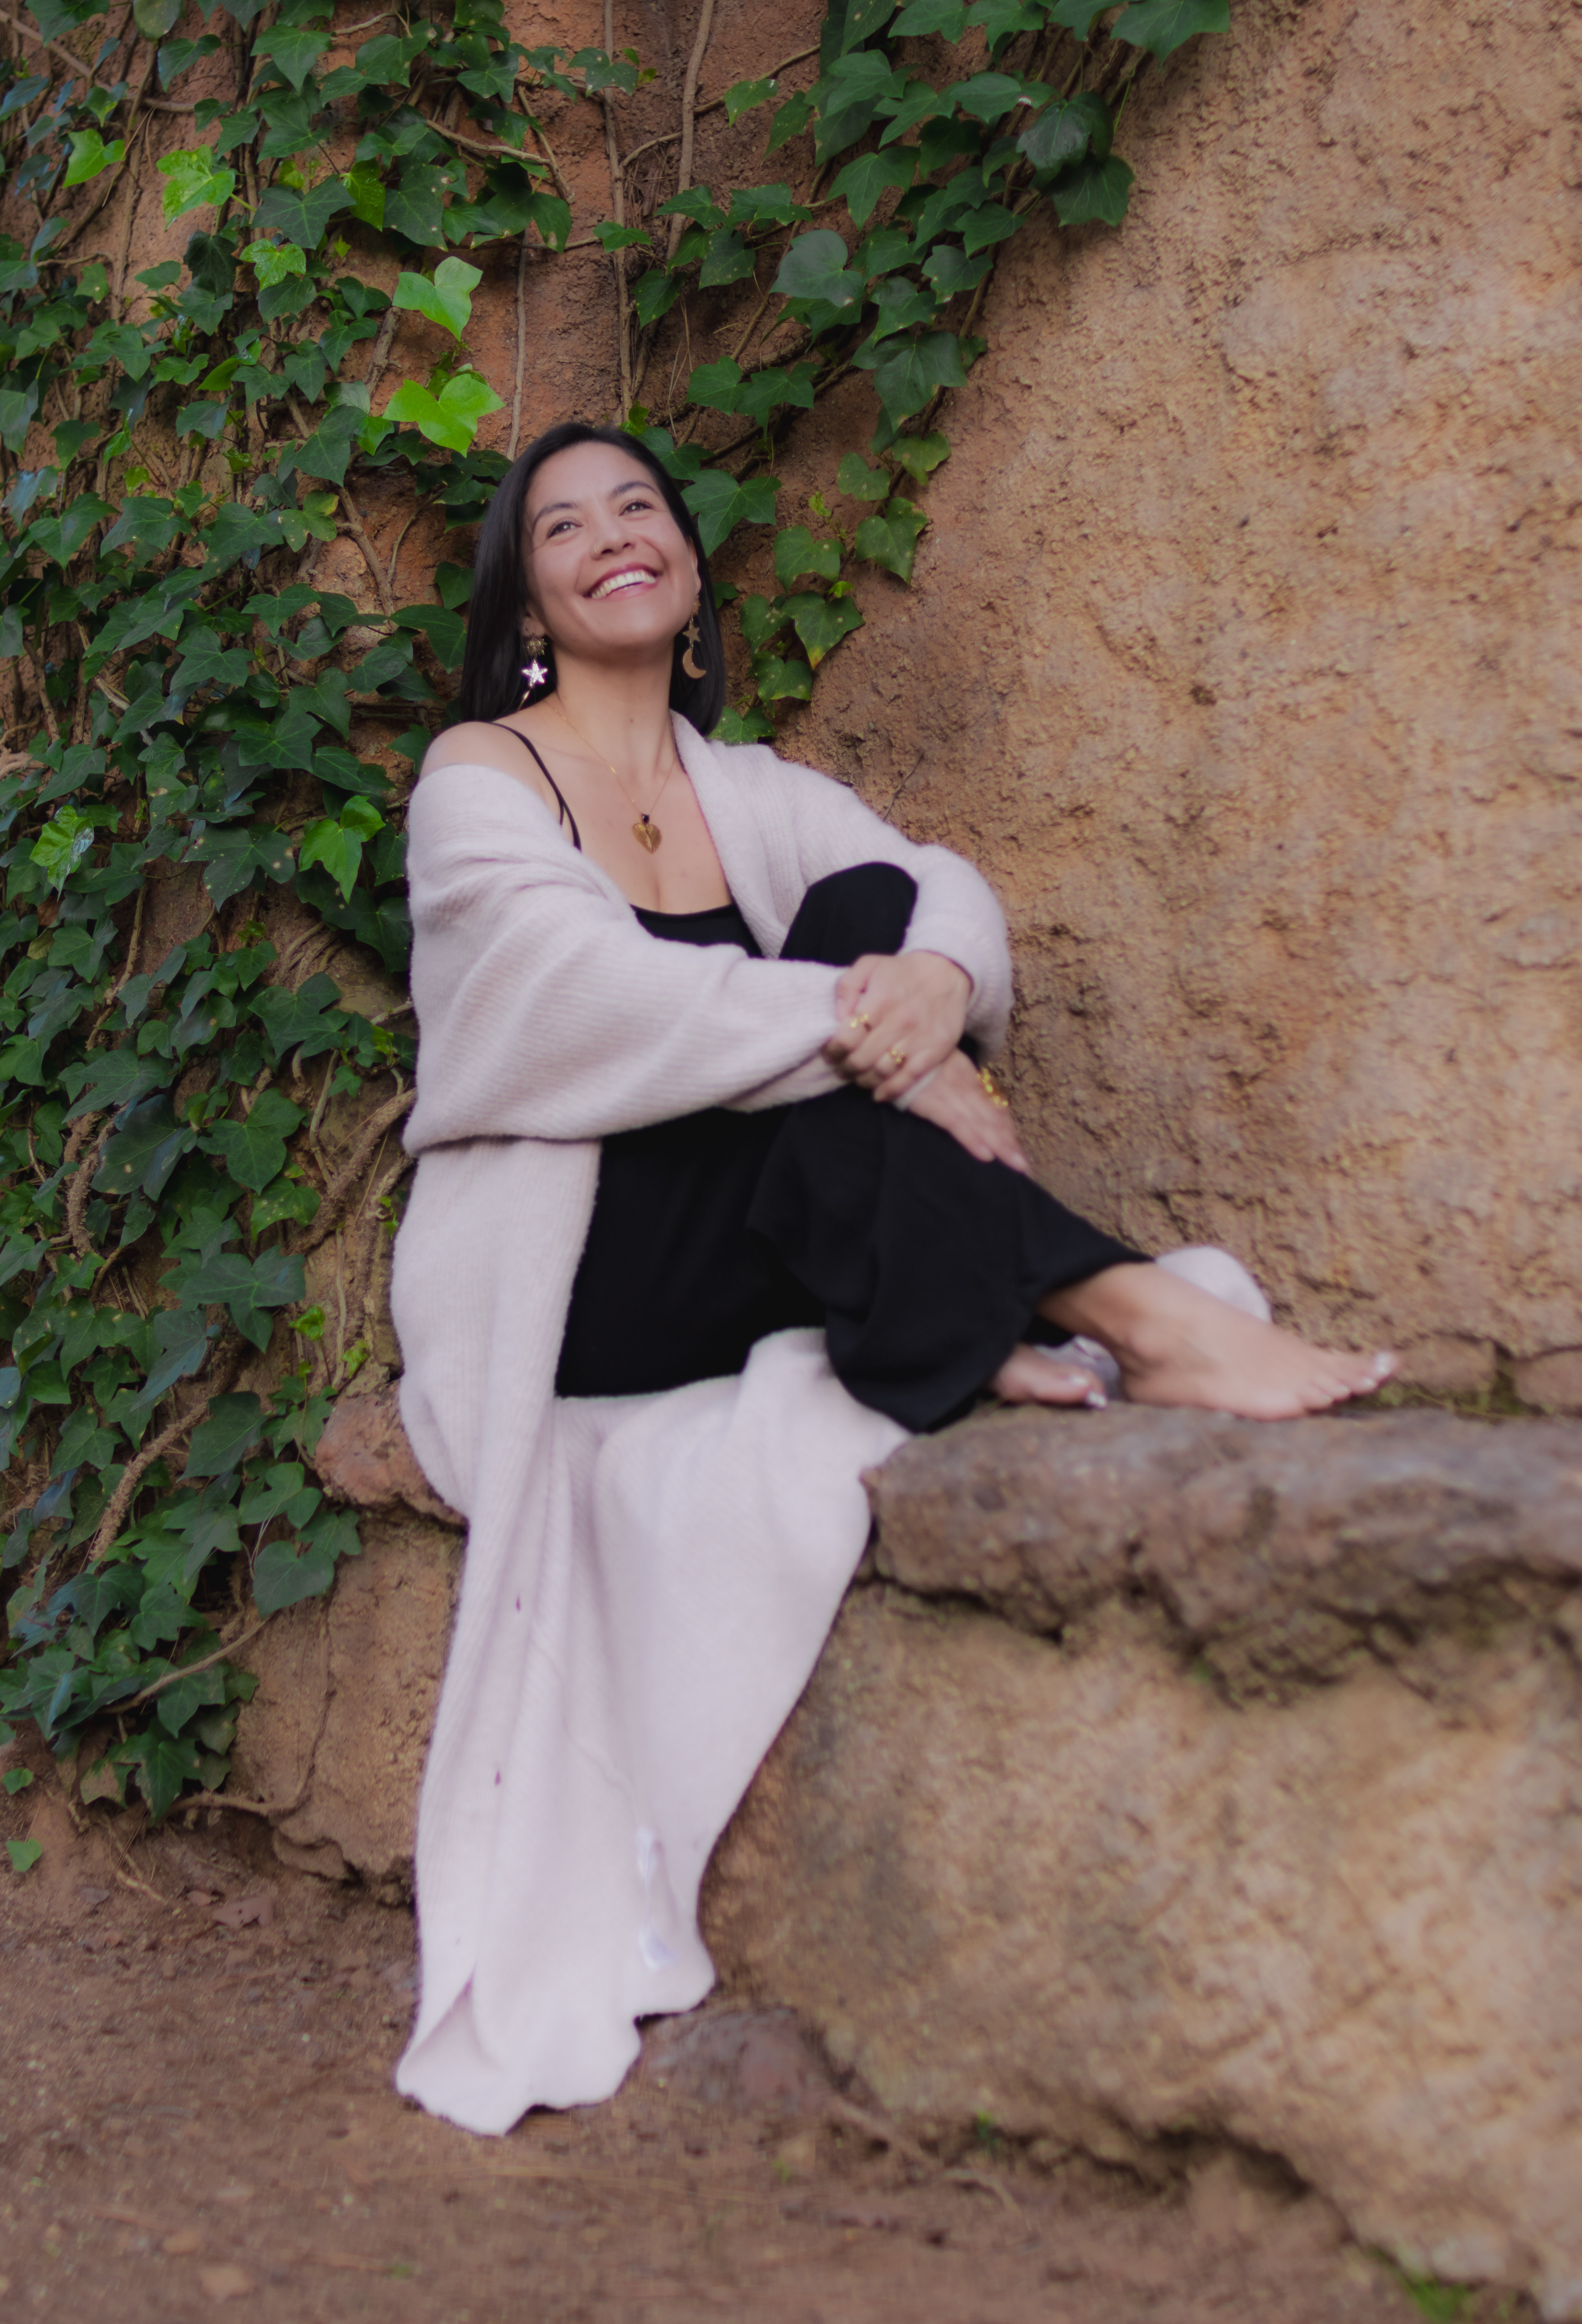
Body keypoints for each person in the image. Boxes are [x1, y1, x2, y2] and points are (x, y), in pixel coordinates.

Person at [387, 422, 1395, 2135]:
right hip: (586, 1270)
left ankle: (971, 1309)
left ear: (685, 562)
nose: (614, 534)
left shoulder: (748, 789)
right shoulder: (482, 775)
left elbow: (945, 890)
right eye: (565, 525)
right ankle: (1123, 1304)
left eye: (640, 506)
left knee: (866, 900)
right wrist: (884, 1057)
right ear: (529, 602)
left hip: (752, 1225)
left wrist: (929, 992)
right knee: (807, 1085)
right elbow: (594, 1001)